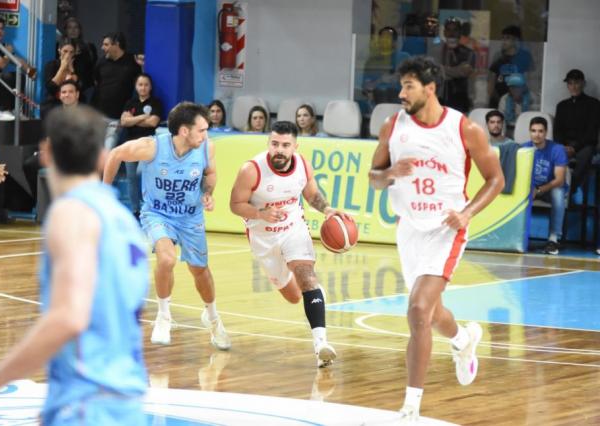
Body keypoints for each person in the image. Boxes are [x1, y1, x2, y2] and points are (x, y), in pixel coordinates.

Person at [0, 105, 151, 425]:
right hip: (126, 402)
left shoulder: (72, 213)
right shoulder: (125, 221)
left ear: (46, 153)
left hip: (86, 403)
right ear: (102, 158)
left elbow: (67, 319)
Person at [368, 56, 504, 421]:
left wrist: (467, 213)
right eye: (401, 86)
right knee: (431, 313)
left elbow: (496, 180)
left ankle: (410, 408)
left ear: (430, 88)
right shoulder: (392, 125)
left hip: (447, 230)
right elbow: (374, 178)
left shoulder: (465, 129)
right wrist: (390, 173)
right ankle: (462, 340)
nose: (401, 93)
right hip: (409, 229)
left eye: (408, 86)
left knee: (417, 310)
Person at [103, 101, 231, 350]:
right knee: (166, 259)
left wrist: (208, 193)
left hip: (190, 216)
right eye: (202, 130)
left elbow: (211, 174)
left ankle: (213, 317)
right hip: (158, 214)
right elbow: (115, 154)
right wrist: (104, 192)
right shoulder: (152, 147)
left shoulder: (207, 148)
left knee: (200, 270)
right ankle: (163, 316)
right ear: (184, 131)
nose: (206, 135)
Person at [230, 120, 346, 367]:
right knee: (293, 296)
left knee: (306, 276)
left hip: (294, 229)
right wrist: (260, 213)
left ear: (295, 146)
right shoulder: (251, 170)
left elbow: (311, 194)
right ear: (268, 143)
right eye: (274, 144)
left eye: (285, 145)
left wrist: (327, 209)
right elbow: (235, 205)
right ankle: (312, 294)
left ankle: (321, 345)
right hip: (263, 238)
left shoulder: (303, 164)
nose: (279, 150)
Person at [521, 117, 568, 255]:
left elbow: (559, 180)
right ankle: (520, 237)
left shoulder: (557, 149)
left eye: (540, 131)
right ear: (529, 131)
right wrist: (530, 189)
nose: (537, 134)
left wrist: (538, 190)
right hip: (531, 188)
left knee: (558, 192)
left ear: (546, 132)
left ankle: (553, 240)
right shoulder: (523, 149)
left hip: (550, 189)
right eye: (533, 131)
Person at [119, 73, 163, 215]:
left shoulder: (155, 102)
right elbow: (124, 122)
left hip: (147, 144)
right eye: (140, 84)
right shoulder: (130, 103)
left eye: (146, 85)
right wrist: (143, 117)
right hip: (130, 144)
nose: (143, 87)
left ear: (150, 87)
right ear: (136, 86)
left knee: (140, 174)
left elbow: (153, 122)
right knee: (131, 177)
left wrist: (133, 120)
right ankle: (135, 209)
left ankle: (146, 205)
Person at [553, 69, 600, 194]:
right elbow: (557, 131)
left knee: (585, 156)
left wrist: (575, 148)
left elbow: (592, 132)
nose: (573, 86)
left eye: (576, 83)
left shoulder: (594, 104)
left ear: (583, 84)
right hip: (565, 144)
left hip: (584, 145)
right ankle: (552, 189)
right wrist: (563, 146)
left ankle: (569, 190)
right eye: (570, 83)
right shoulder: (562, 106)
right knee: (553, 153)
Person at [92, 31, 141, 120]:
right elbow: (96, 82)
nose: (102, 48)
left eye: (106, 45)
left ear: (117, 44)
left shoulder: (132, 61)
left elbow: (142, 81)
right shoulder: (101, 62)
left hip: (122, 114)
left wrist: (143, 65)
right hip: (100, 113)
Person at [362, 26, 410, 107]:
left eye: (388, 38)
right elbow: (366, 88)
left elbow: (413, 82)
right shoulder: (371, 62)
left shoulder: (404, 58)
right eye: (382, 37)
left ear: (394, 41)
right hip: (378, 103)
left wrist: (399, 77)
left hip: (400, 103)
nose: (384, 40)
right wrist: (381, 80)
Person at [488, 25, 534, 108]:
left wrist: (524, 98)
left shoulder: (524, 57)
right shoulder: (498, 56)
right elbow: (491, 82)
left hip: (519, 102)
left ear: (515, 40)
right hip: (498, 100)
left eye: (507, 38)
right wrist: (495, 98)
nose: (504, 41)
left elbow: (530, 80)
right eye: (502, 38)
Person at [439, 17, 475, 113]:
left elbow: (464, 71)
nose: (452, 33)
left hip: (460, 100)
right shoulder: (436, 51)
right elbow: (433, 71)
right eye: (449, 30)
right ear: (444, 32)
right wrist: (456, 71)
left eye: (455, 30)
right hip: (439, 99)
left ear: (460, 32)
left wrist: (442, 69)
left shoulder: (468, 53)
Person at [40, 37, 79, 118]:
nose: (68, 55)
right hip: (53, 104)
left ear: (75, 53)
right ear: (59, 50)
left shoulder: (78, 66)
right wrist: (62, 68)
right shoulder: (51, 65)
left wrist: (72, 70)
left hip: (72, 104)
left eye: (71, 52)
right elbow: (51, 87)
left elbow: (78, 87)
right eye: (65, 51)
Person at [497, 73, 538, 139]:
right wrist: (502, 136)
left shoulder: (532, 98)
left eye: (518, 87)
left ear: (523, 87)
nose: (515, 90)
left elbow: (536, 118)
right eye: (512, 87)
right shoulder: (504, 99)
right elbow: (500, 119)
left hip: (526, 130)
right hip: (509, 130)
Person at [62, 16, 97, 94]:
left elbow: (93, 67)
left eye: (76, 27)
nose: (73, 30)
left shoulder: (89, 47)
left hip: (86, 88)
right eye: (70, 27)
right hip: (67, 88)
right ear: (66, 30)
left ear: (80, 30)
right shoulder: (60, 48)